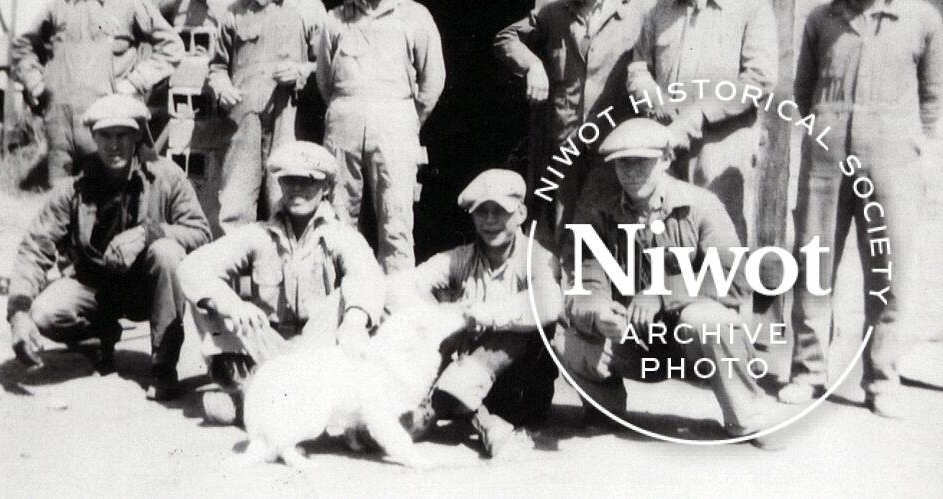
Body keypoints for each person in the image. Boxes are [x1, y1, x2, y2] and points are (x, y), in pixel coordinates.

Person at [780, 0, 943, 418]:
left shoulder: (921, 19)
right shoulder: (821, 19)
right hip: (827, 162)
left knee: (888, 271)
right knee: (815, 266)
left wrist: (920, 152)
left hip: (893, 162)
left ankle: (882, 377)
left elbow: (933, 99)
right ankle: (808, 373)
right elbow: (802, 93)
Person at [553, 118, 782, 449]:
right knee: (564, 336)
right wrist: (600, 314)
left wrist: (662, 294)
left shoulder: (702, 205)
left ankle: (747, 418)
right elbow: (586, 283)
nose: (631, 173)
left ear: (665, 160)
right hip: (635, 339)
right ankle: (606, 413)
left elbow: (734, 276)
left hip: (691, 343)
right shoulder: (600, 214)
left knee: (708, 321)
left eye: (641, 162)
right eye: (622, 164)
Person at [6, 94, 212, 400]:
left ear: (137, 136)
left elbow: (201, 233)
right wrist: (18, 312)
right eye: (105, 136)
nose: (113, 146)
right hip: (95, 288)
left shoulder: (166, 177)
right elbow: (36, 247)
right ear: (93, 137)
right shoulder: (75, 186)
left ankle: (163, 365)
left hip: (146, 288)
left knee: (167, 253)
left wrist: (149, 233)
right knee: (44, 313)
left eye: (122, 136)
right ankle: (102, 336)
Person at [177, 141, 386, 425]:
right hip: (269, 347)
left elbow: (366, 276)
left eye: (307, 181)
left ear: (325, 187)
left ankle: (257, 402)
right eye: (289, 181)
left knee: (348, 297)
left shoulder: (341, 236)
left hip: (318, 350)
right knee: (207, 298)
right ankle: (251, 391)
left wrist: (354, 321)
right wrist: (232, 304)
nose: (297, 189)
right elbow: (192, 268)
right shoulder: (258, 235)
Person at [627, 0, 779, 248]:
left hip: (722, 143)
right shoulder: (660, 10)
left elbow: (759, 78)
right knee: (664, 228)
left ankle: (726, 301)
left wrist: (699, 114)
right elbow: (638, 65)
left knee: (719, 230)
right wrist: (649, 94)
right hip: (665, 139)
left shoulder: (750, 7)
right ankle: (668, 300)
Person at [495, 0, 654, 247]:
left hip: (614, 145)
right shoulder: (553, 14)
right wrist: (533, 65)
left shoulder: (640, 10)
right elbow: (506, 39)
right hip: (566, 146)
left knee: (617, 229)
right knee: (563, 231)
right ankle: (563, 295)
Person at [392, 169, 563, 458]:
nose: (490, 220)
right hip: (461, 373)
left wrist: (481, 315)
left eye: (500, 211)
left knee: (517, 327)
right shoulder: (461, 257)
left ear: (520, 213)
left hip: (517, 386)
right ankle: (482, 420)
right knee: (429, 327)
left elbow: (548, 305)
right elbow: (400, 287)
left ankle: (442, 410)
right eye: (481, 212)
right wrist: (442, 317)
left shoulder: (539, 258)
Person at [10, 0, 184, 183]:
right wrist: (35, 83)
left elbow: (172, 46)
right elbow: (23, 46)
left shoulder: (129, 2)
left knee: (110, 205)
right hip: (60, 127)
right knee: (61, 203)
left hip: (109, 124)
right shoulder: (59, 5)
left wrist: (134, 83)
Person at [316, 0, 446, 273]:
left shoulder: (415, 17)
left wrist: (407, 121)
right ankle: (342, 303)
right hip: (344, 124)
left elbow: (433, 80)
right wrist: (351, 110)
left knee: (396, 222)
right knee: (339, 220)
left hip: (396, 125)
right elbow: (325, 81)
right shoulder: (335, 19)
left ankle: (397, 310)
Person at [209, 0, 326, 231]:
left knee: (285, 197)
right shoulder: (236, 10)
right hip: (242, 122)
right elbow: (217, 66)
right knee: (235, 203)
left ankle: (283, 271)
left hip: (289, 120)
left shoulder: (308, 7)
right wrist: (220, 85)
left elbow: (326, 65)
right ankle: (233, 274)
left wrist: (301, 71)